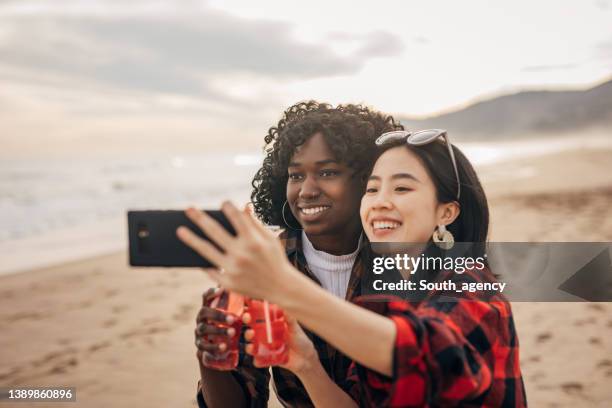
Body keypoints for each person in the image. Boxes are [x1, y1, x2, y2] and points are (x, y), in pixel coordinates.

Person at [178, 128, 527, 406]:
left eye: (402, 187)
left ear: (446, 212)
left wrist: (283, 286)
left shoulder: (469, 284)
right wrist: (306, 365)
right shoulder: (379, 300)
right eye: (373, 190)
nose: (380, 202)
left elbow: (428, 355)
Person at [188, 101, 403, 407]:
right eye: (296, 175)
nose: (307, 191)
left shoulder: (406, 259)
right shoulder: (262, 266)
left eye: (327, 172)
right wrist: (211, 356)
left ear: (368, 181)